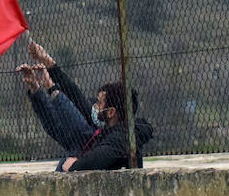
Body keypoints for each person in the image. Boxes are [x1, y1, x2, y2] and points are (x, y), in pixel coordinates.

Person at [24, 40, 153, 171]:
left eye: (99, 103)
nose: (94, 106)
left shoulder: (122, 138)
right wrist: (48, 69)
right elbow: (77, 99)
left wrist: (75, 166)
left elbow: (99, 157)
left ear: (111, 112)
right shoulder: (99, 132)